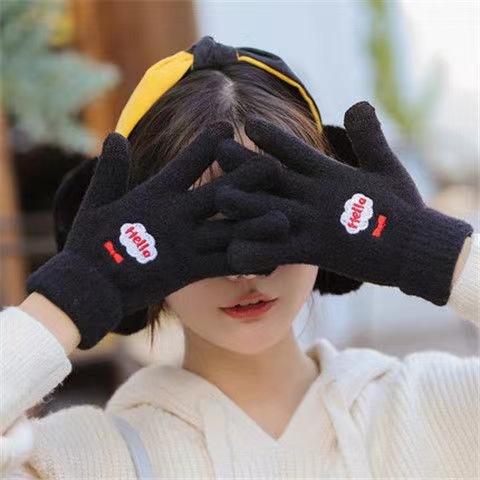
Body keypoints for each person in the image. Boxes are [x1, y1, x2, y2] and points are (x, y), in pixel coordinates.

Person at [1, 36, 478, 479]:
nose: (246, 269)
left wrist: (434, 251)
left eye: (271, 222)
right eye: (206, 230)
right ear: (137, 243)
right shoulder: (84, 461)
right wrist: (77, 289)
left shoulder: (432, 410)